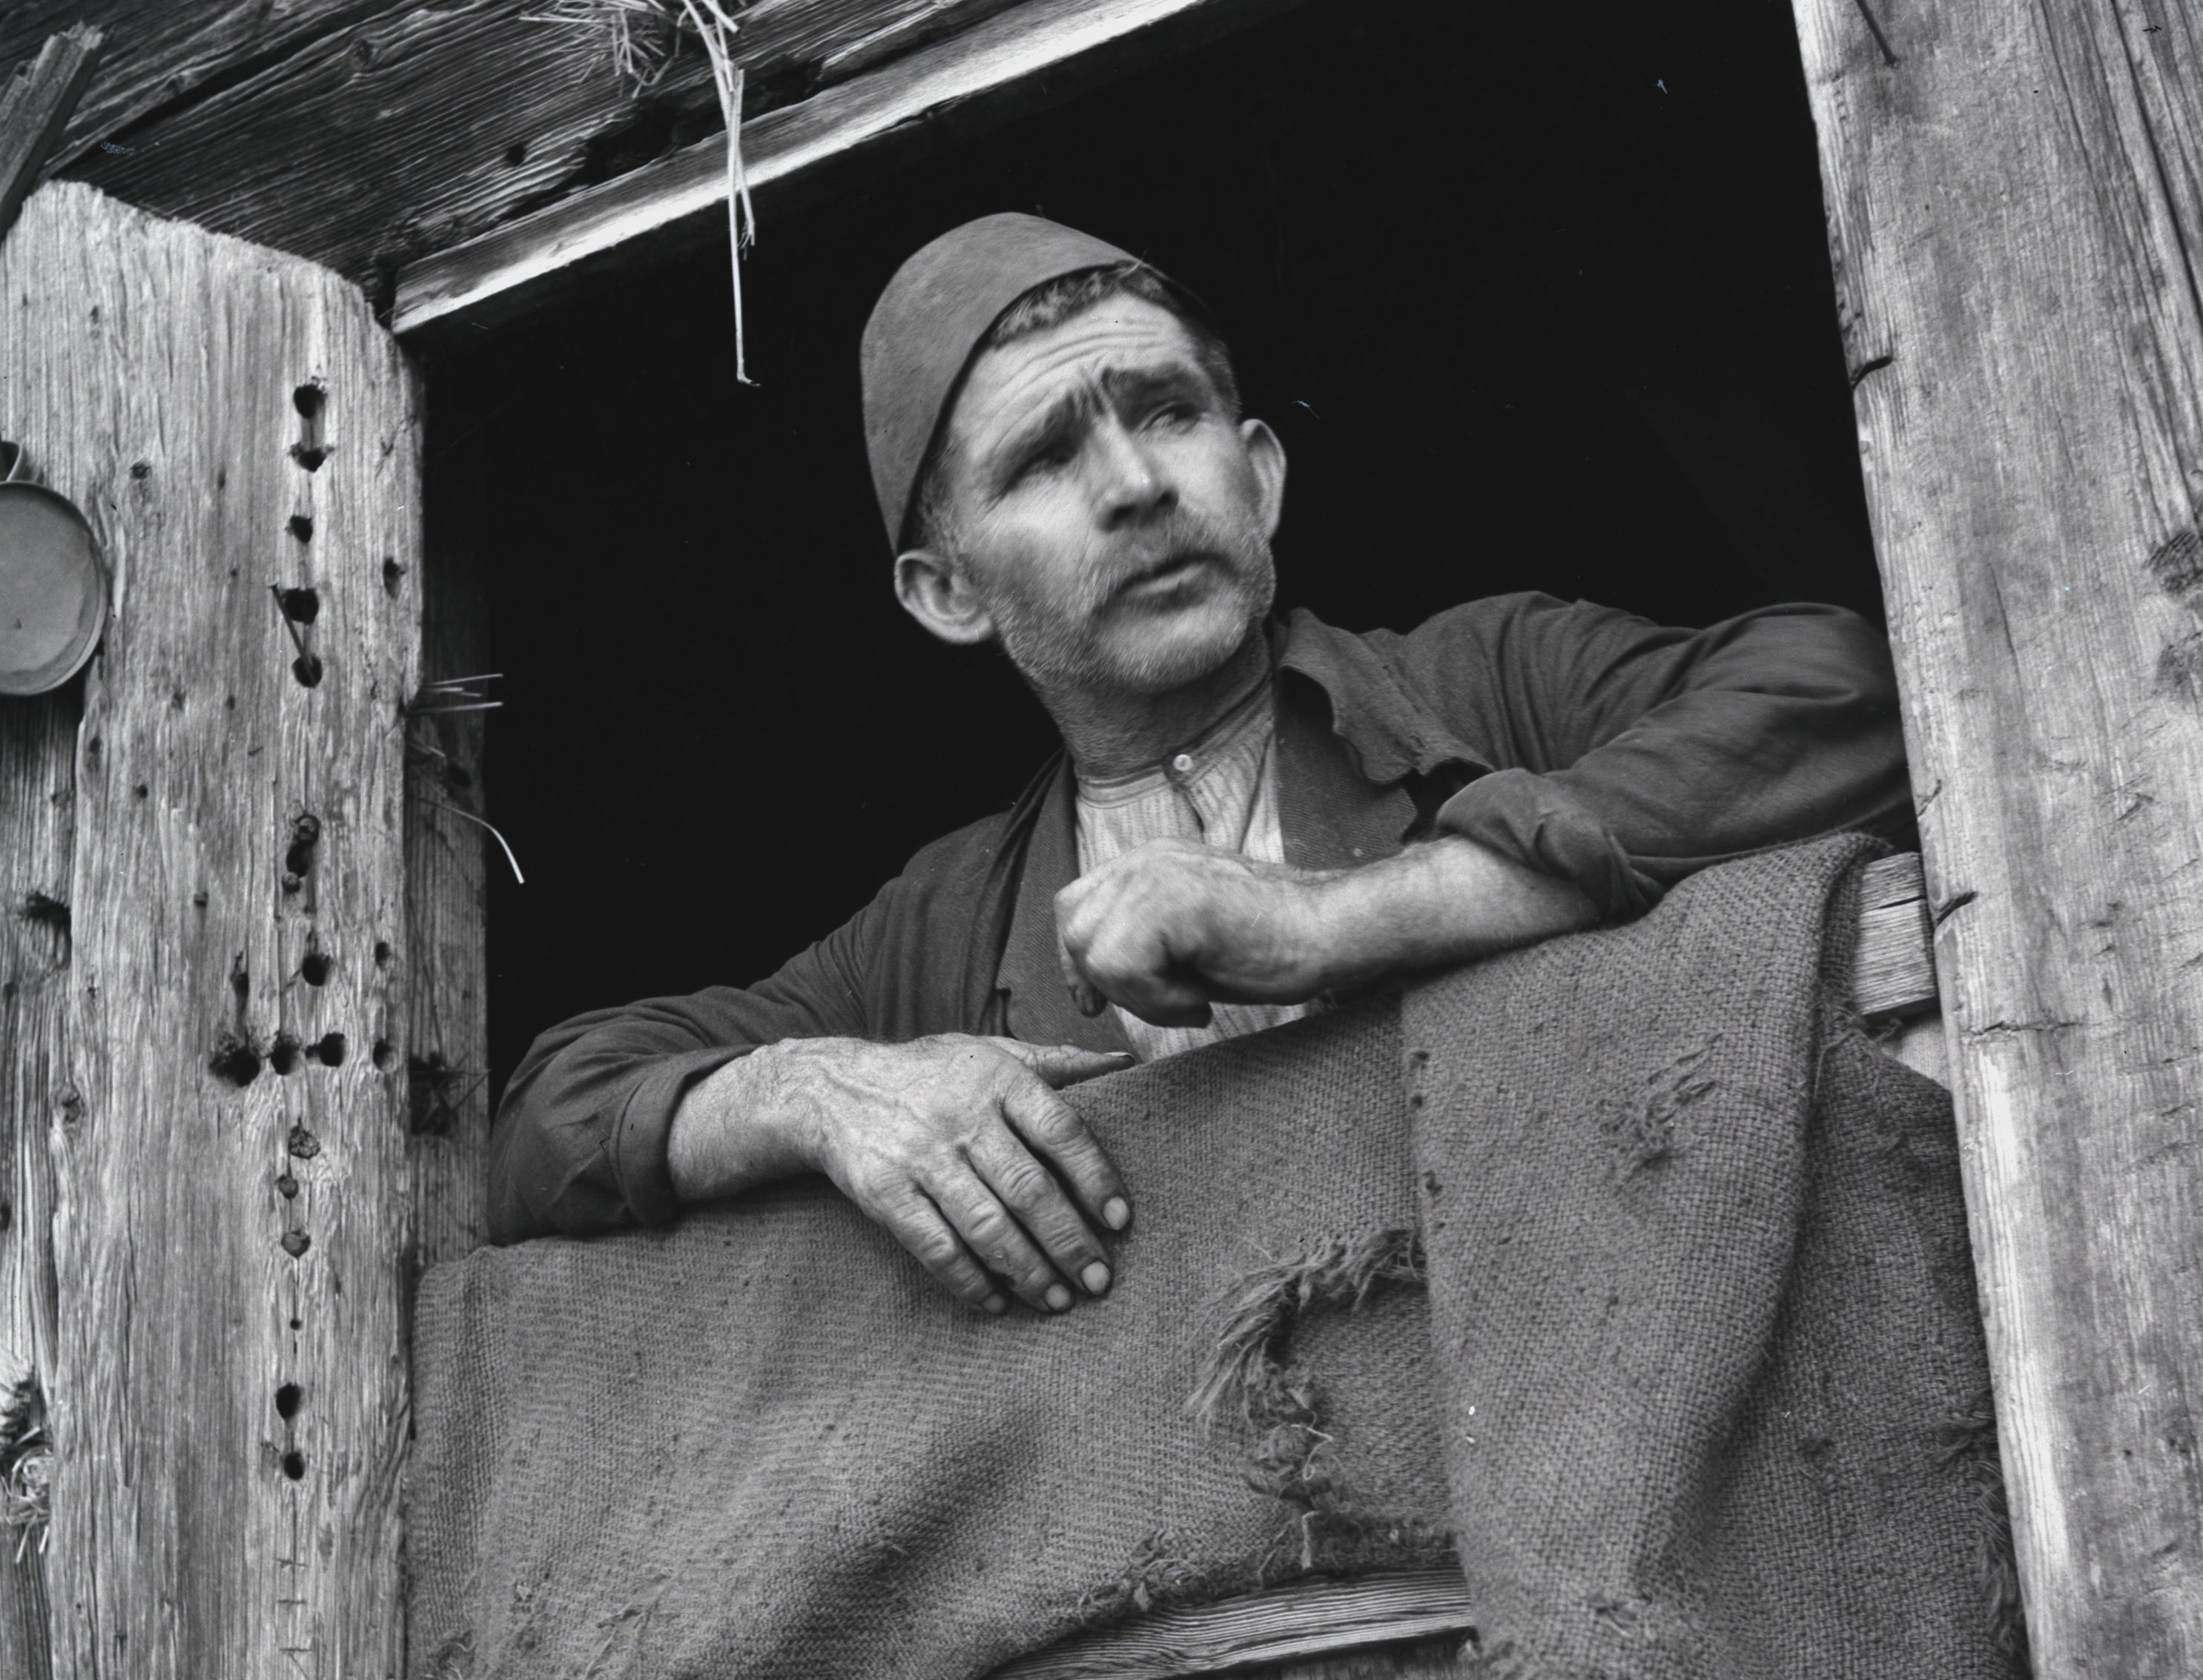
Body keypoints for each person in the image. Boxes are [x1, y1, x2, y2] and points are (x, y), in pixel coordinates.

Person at [490, 213, 1912, 1314]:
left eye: (1167, 411)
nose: (1135, 483)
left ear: (1263, 474)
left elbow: (1847, 692)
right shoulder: (939, 926)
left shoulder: (1486, 679)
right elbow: (546, 1122)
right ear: (947, 593)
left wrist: (1340, 920)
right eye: (1044, 459)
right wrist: (817, 1093)